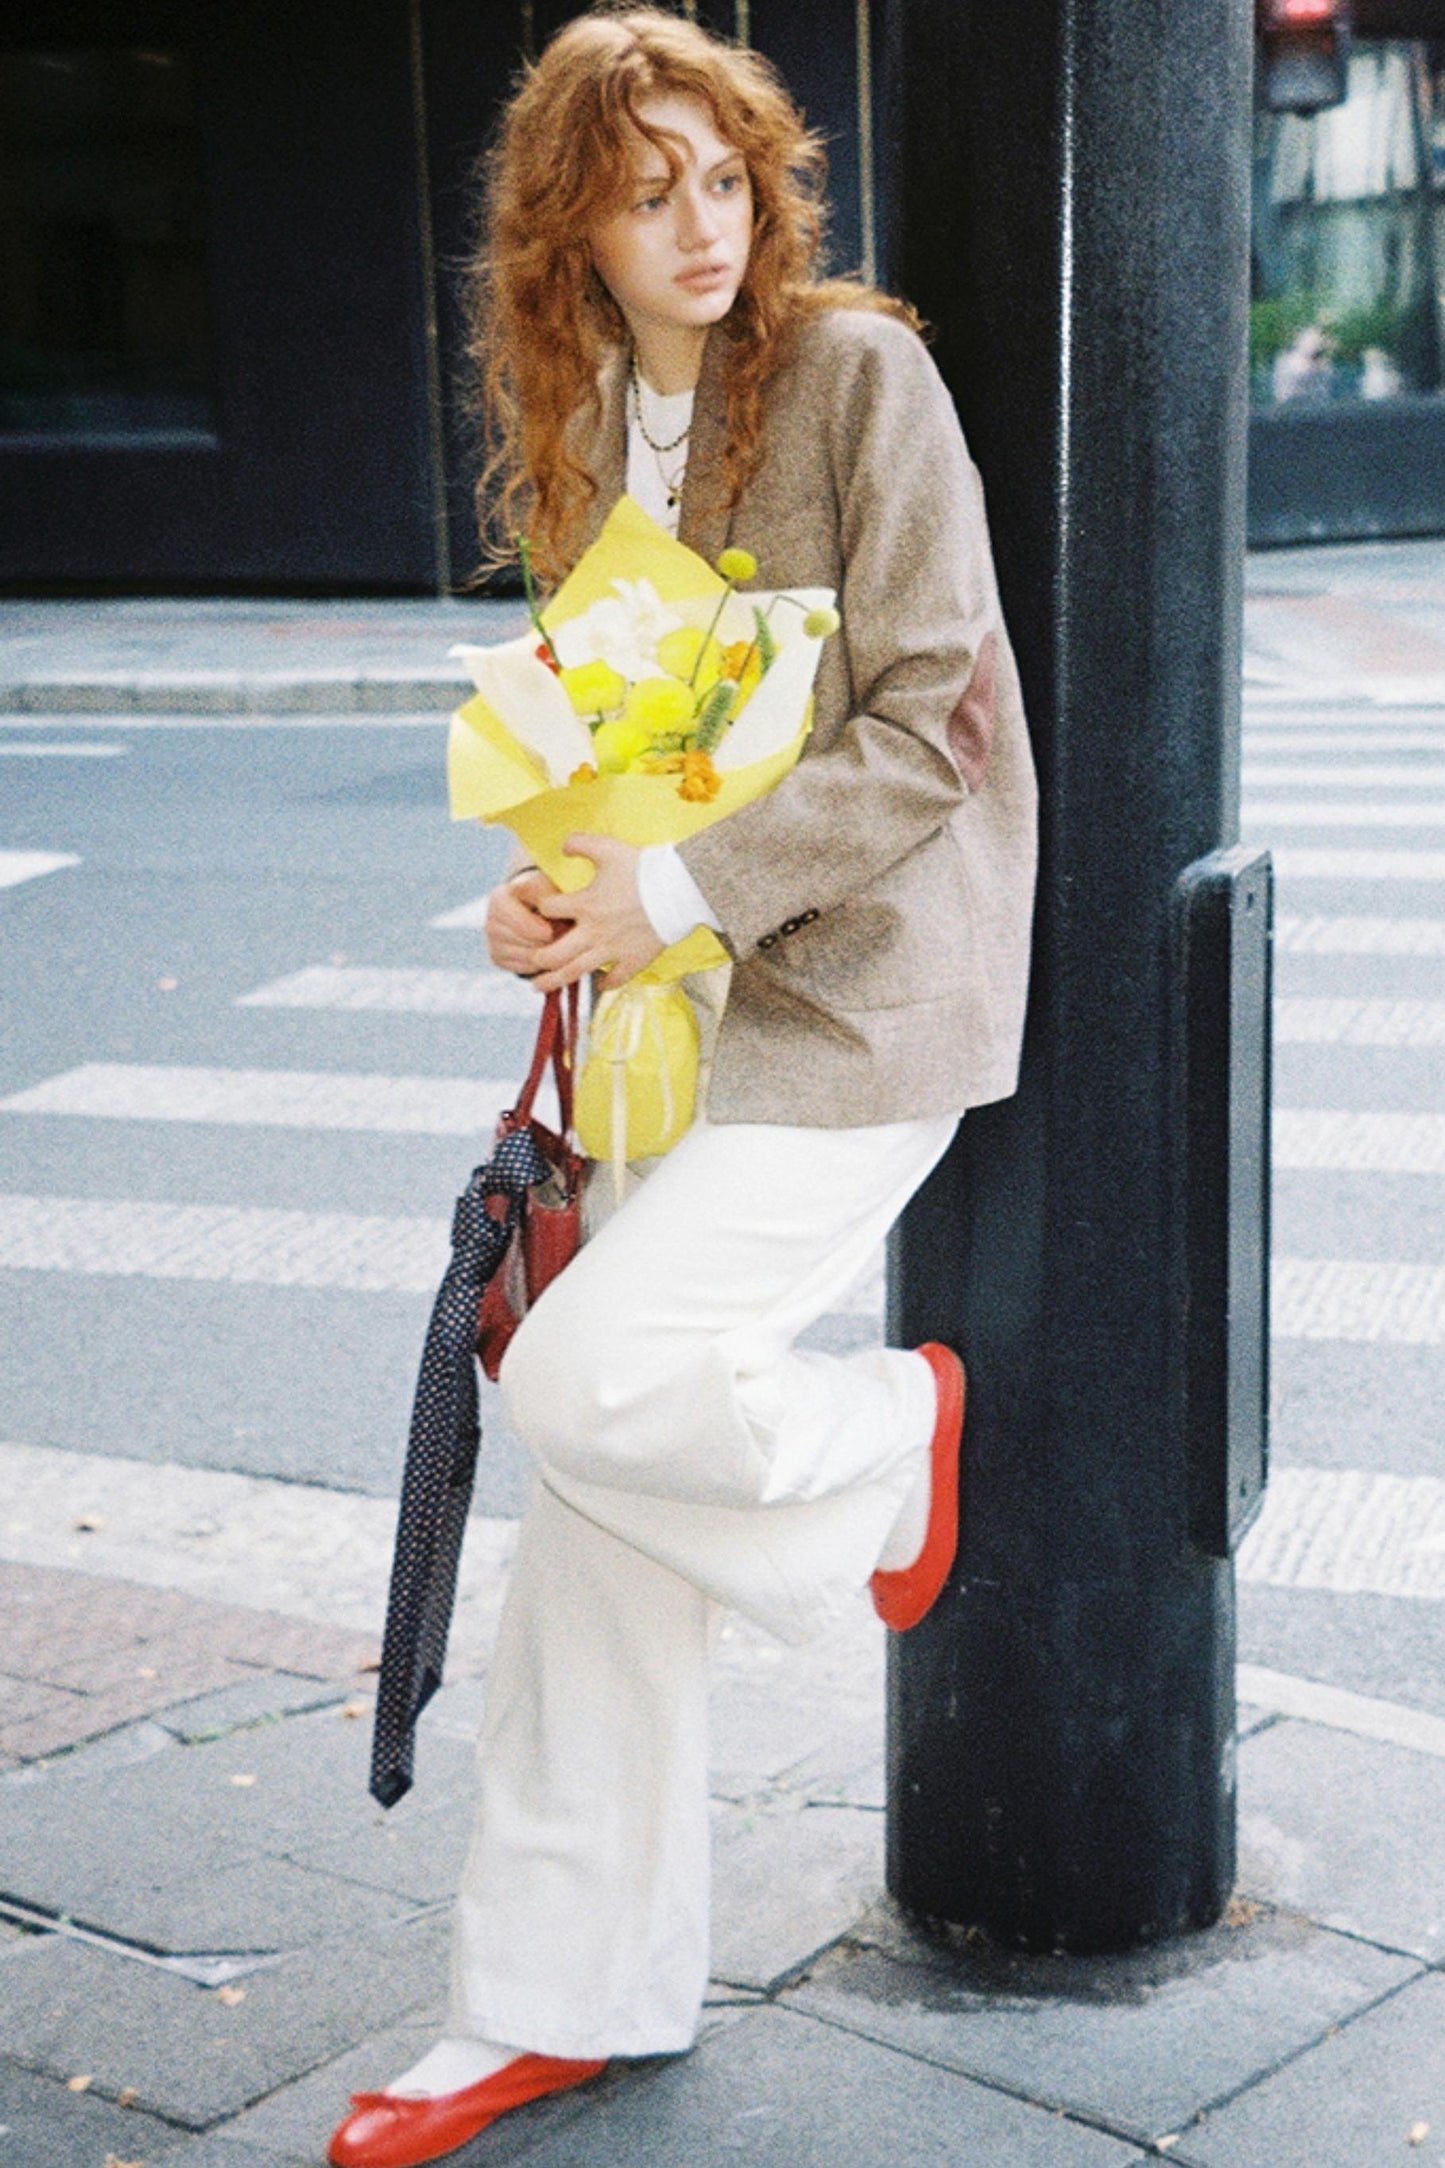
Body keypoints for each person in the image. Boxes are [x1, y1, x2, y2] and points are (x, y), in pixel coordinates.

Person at [328, 10, 1036, 2164]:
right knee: (593, 1549)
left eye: (725, 176)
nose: (702, 224)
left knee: (587, 1386)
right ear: (573, 230)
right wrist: (554, 906)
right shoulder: (575, 427)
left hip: (861, 1000)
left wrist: (687, 885)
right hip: (660, 1026)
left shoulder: (853, 378)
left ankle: (894, 1447)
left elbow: (943, 722)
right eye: (650, 192)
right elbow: (604, 753)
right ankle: (557, 1995)